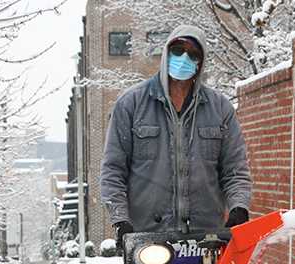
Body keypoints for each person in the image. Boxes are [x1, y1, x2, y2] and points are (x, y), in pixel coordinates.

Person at [100, 25, 252, 248]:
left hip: (205, 237)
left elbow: (235, 169)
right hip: (148, 236)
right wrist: (120, 220)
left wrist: (239, 207)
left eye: (192, 54)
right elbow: (113, 170)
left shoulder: (220, 109)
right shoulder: (131, 104)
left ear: (200, 62)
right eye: (178, 49)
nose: (184, 58)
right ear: (166, 53)